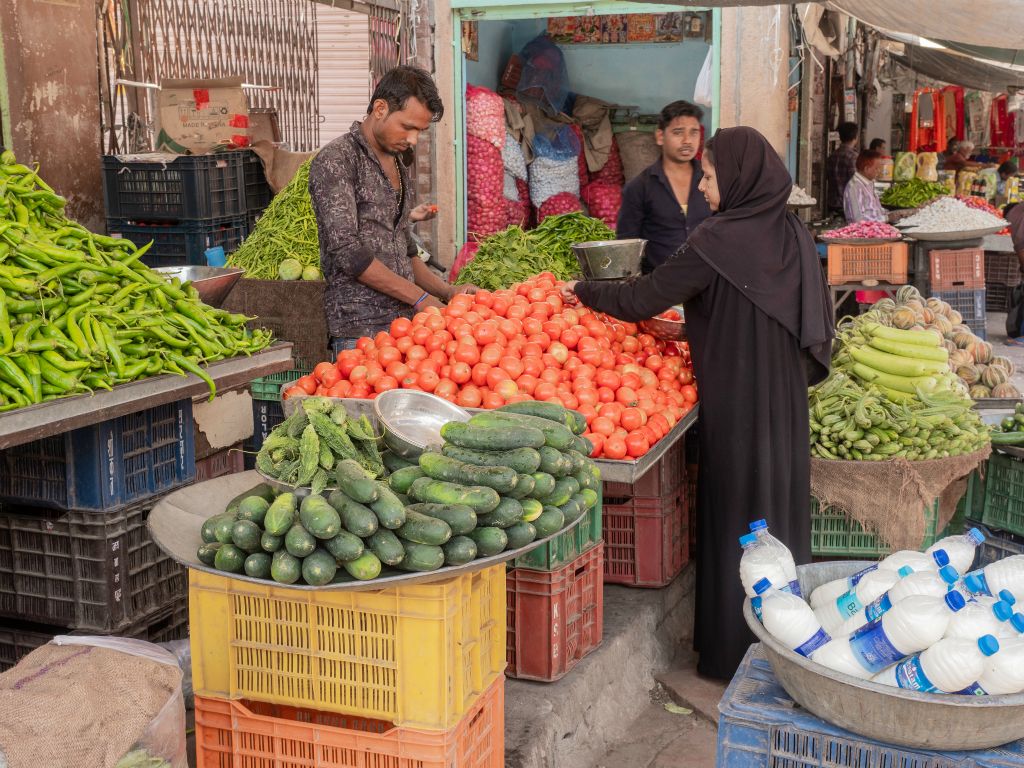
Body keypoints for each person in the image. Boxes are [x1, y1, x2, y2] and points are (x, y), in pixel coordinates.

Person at [560, 127, 834, 680]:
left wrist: (584, 291)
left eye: (709, 176)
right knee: (776, 505)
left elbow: (643, 296)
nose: (703, 188)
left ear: (736, 178)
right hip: (782, 397)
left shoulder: (719, 238)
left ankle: (733, 650)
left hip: (736, 396)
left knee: (736, 508)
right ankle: (785, 642)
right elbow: (772, 315)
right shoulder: (792, 235)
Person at [309, 66, 476, 356]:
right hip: (360, 330)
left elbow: (406, 250)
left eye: (420, 131)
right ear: (380, 108)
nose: (413, 140)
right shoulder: (337, 161)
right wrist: (420, 297)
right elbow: (348, 252)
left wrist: (447, 292)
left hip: (407, 328)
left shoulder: (398, 162)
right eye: (408, 127)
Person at [616, 101, 713, 273]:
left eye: (694, 132)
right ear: (660, 136)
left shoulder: (712, 181)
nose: (687, 141)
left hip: (708, 285)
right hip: (660, 289)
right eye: (678, 132)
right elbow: (626, 247)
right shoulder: (639, 187)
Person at [826, 122, 859, 215]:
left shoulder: (832, 155)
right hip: (847, 205)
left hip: (832, 203)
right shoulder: (853, 156)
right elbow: (855, 181)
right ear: (855, 137)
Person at [844, 151, 886, 223]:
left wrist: (890, 214)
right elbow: (858, 220)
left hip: (876, 227)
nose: (879, 171)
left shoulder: (869, 182)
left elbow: (876, 209)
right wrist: (886, 218)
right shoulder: (855, 187)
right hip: (863, 232)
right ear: (866, 169)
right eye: (877, 168)